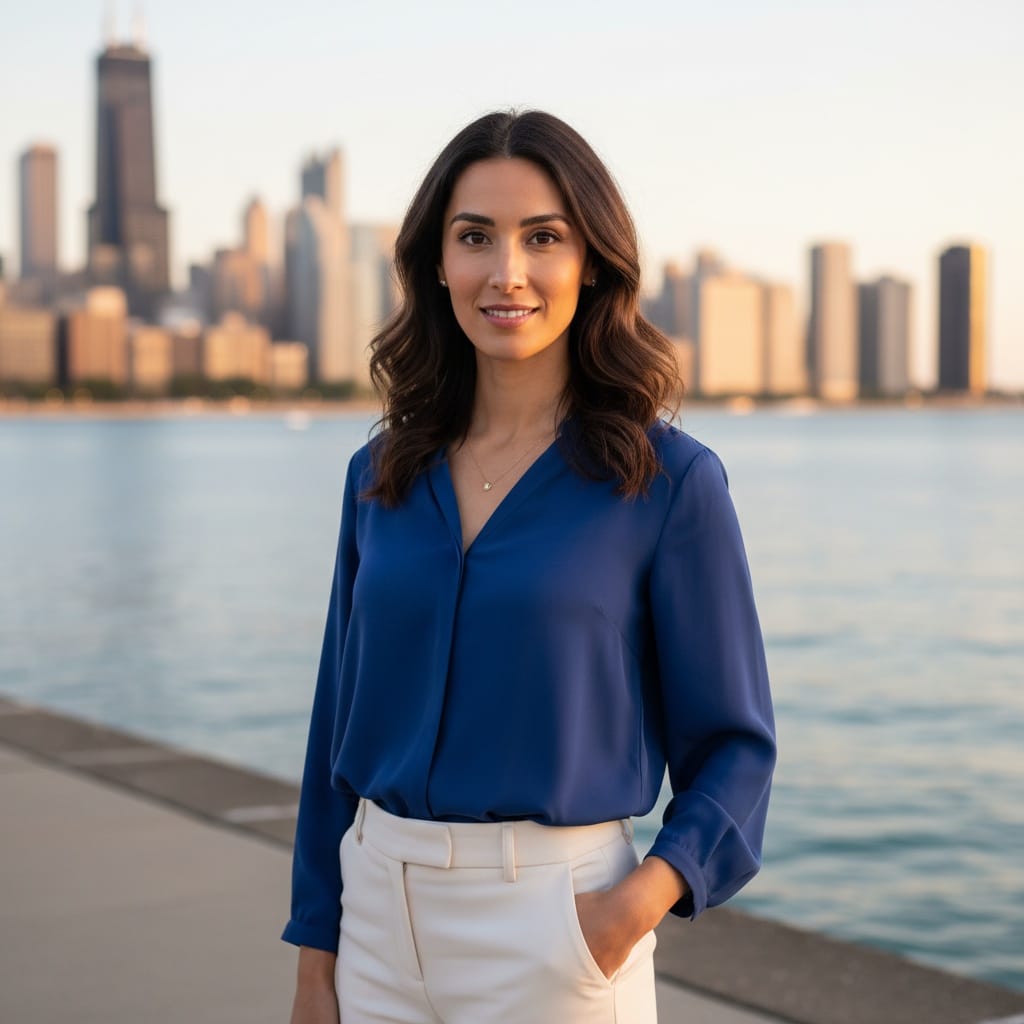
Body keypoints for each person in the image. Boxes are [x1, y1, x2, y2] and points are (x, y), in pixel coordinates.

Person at [283, 109, 776, 1024]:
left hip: (557, 933)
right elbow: (331, 740)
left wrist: (631, 908)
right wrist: (318, 956)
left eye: (542, 237)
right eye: (476, 237)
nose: (506, 272)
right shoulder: (379, 474)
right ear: (438, 261)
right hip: (376, 925)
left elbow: (736, 748)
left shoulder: (669, 482)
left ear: (590, 261)